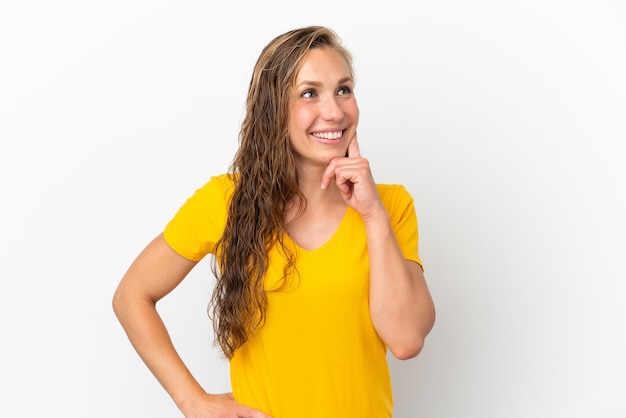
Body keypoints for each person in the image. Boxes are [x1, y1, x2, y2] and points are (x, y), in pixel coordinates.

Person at [112, 25, 435, 418]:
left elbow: (406, 340)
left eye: (344, 89)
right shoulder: (227, 202)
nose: (334, 110)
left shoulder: (390, 206)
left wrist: (371, 215)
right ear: (274, 108)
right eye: (309, 93)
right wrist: (192, 399)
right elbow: (132, 295)